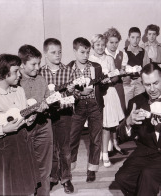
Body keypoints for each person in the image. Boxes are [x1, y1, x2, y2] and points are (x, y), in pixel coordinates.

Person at [115, 62, 161, 196]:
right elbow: (121, 137)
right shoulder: (135, 102)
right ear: (142, 83)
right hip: (145, 151)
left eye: (155, 83)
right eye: (147, 85)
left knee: (148, 175)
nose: (152, 89)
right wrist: (128, 122)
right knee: (122, 177)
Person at [0, 54, 40, 195]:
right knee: (7, 188)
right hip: (3, 147)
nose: (20, 74)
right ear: (4, 73)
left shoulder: (19, 90)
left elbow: (23, 116)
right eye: (16, 71)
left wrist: (30, 118)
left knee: (24, 186)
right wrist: (3, 129)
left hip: (22, 142)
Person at [68, 37, 106, 182]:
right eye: (82, 52)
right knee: (72, 138)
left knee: (95, 139)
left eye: (87, 52)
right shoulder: (68, 68)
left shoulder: (96, 67)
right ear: (74, 51)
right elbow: (66, 90)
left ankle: (92, 169)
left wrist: (104, 83)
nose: (85, 55)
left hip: (94, 104)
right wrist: (77, 92)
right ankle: (69, 169)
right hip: (77, 106)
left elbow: (101, 88)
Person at [40, 38, 74, 193]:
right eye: (53, 52)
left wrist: (69, 96)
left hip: (64, 115)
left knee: (65, 148)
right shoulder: (40, 72)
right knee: (51, 148)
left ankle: (66, 178)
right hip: (46, 116)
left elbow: (74, 97)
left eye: (60, 52)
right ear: (45, 54)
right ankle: (53, 177)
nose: (58, 55)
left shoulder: (68, 71)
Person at [18, 44, 53, 196]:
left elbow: (48, 98)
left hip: (44, 126)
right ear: (22, 64)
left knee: (44, 167)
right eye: (33, 64)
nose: (37, 68)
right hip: (22, 130)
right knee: (23, 167)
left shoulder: (41, 80)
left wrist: (48, 104)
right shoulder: (15, 82)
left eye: (39, 63)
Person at [89, 34, 125, 167]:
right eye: (97, 45)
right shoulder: (89, 59)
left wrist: (108, 80)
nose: (100, 47)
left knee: (106, 125)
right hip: (94, 95)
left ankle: (105, 154)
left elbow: (115, 76)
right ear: (93, 46)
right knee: (96, 126)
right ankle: (97, 150)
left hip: (108, 94)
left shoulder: (109, 59)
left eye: (102, 45)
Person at [103, 27, 128, 156]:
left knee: (119, 115)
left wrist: (124, 73)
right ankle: (107, 145)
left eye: (116, 42)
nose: (114, 45)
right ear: (106, 42)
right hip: (106, 89)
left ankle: (115, 142)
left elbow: (123, 71)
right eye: (111, 42)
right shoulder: (102, 54)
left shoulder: (122, 54)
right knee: (108, 116)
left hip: (118, 86)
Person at [122, 27, 146, 107]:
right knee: (127, 105)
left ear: (140, 38)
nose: (135, 40)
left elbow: (146, 67)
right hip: (128, 84)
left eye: (138, 37)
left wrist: (141, 78)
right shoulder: (124, 51)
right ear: (128, 38)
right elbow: (121, 68)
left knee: (140, 105)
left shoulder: (143, 51)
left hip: (139, 82)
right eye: (132, 37)